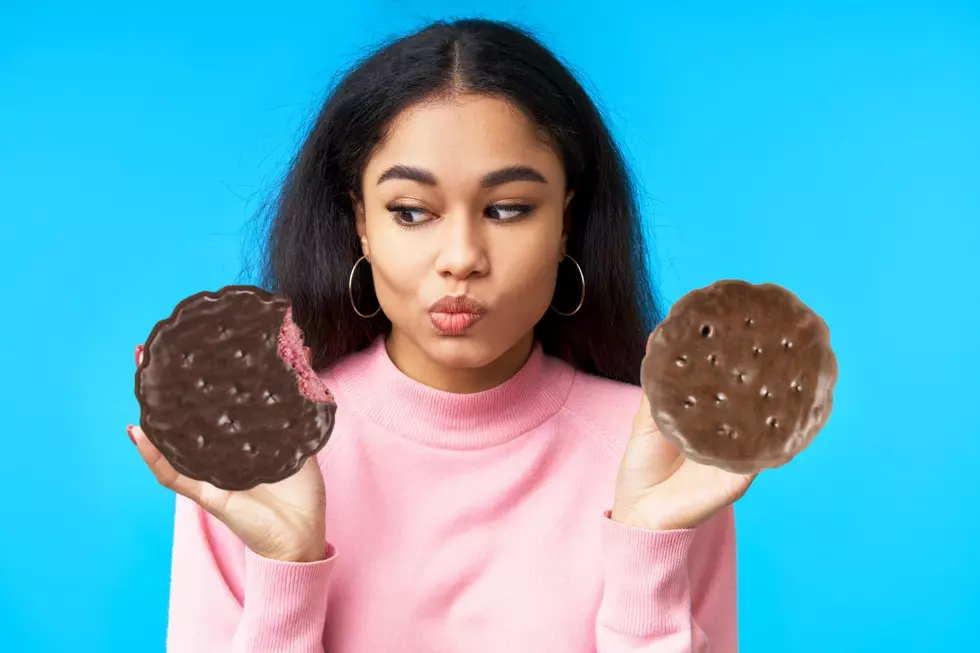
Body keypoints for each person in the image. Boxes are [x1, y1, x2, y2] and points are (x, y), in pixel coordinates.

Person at [127, 17, 755, 653]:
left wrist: (647, 550)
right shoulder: (256, 453)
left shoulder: (663, 456)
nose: (461, 257)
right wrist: (287, 570)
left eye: (508, 209)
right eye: (411, 212)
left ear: (566, 222)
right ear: (361, 224)